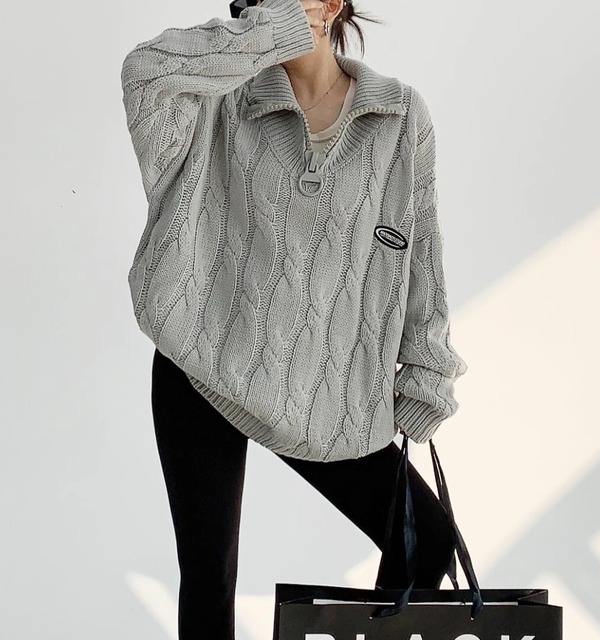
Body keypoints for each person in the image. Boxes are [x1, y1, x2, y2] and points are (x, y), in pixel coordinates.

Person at [121, 0, 468, 637]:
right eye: (254, 4)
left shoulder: (398, 116)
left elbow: (420, 251)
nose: (263, 11)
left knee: (426, 540)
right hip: (203, 361)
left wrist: (426, 371)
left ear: (332, 5)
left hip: (323, 387)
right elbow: (146, 71)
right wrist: (266, 35)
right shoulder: (219, 99)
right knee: (209, 579)